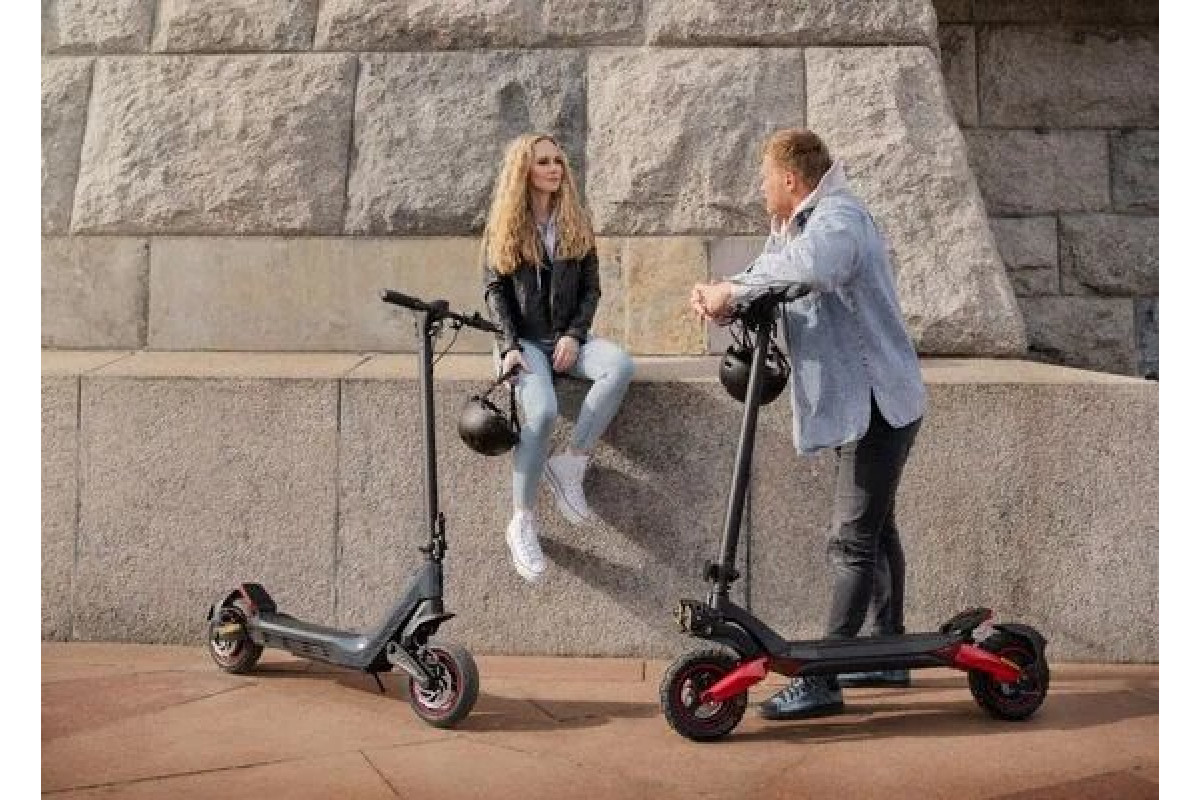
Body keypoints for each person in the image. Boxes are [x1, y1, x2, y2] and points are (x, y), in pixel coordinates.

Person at [690, 129, 927, 720]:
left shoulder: (840, 220)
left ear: (791, 181)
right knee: (875, 527)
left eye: (765, 178)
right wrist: (726, 295)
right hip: (860, 406)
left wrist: (732, 288)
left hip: (878, 404)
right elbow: (772, 269)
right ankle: (887, 650)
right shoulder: (796, 225)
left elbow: (813, 268)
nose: (760, 187)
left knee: (850, 541)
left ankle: (823, 679)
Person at [483, 133, 635, 584]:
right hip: (523, 341)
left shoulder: (575, 221)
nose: (554, 169)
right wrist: (510, 345)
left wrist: (574, 334)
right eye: (544, 162)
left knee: (619, 366)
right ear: (524, 171)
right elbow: (494, 291)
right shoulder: (504, 225)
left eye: (558, 161)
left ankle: (572, 461)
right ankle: (522, 520)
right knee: (544, 410)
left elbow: (591, 289)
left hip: (568, 337)